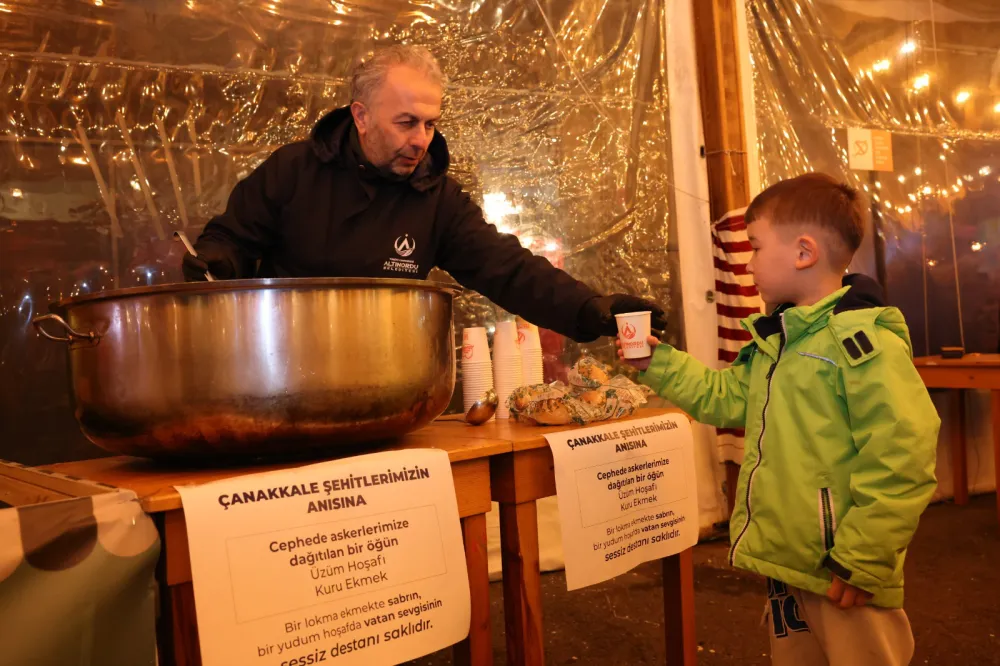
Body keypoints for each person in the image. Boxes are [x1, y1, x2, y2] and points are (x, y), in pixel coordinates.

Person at [620, 173, 939, 666]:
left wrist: (863, 556)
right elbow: (722, 397)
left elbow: (904, 453)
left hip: (842, 569)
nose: (748, 262)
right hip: (789, 563)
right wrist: (656, 362)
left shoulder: (863, 344)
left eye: (755, 246)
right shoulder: (778, 342)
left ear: (804, 252)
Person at [182, 45, 664, 342]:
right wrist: (217, 260)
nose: (421, 140)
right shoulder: (294, 170)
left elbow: (509, 269)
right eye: (407, 122)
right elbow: (232, 239)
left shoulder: (437, 199)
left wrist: (589, 308)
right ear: (362, 116)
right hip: (283, 367)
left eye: (431, 124)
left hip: (385, 378)